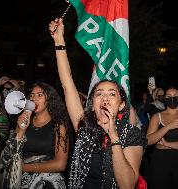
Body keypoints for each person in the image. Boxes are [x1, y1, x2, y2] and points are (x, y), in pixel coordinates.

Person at [49, 18, 144, 189]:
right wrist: (59, 41)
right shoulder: (84, 127)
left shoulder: (132, 134)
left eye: (112, 94)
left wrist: (114, 136)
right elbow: (68, 84)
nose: (105, 98)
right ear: (92, 103)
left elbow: (128, 185)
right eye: (99, 94)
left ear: (122, 105)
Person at [1, 82, 71, 188]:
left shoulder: (59, 126)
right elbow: (10, 153)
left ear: (49, 99)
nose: (34, 99)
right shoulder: (22, 122)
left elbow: (60, 164)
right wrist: (21, 130)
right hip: (22, 181)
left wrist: (24, 168)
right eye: (32, 95)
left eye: (40, 95)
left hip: (48, 182)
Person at [146, 87, 178, 189]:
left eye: (175, 96)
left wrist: (168, 145)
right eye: (169, 96)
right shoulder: (157, 116)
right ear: (164, 98)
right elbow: (149, 140)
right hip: (161, 164)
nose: (172, 98)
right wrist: (168, 127)